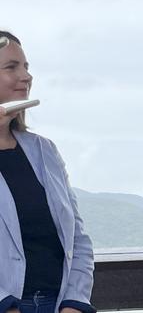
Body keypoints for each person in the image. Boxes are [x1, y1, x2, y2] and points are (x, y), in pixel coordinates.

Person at [0, 31, 95, 313]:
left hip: (58, 304)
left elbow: (77, 236)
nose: (27, 77)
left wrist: (74, 302)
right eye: (11, 67)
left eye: (26, 67)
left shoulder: (45, 150)